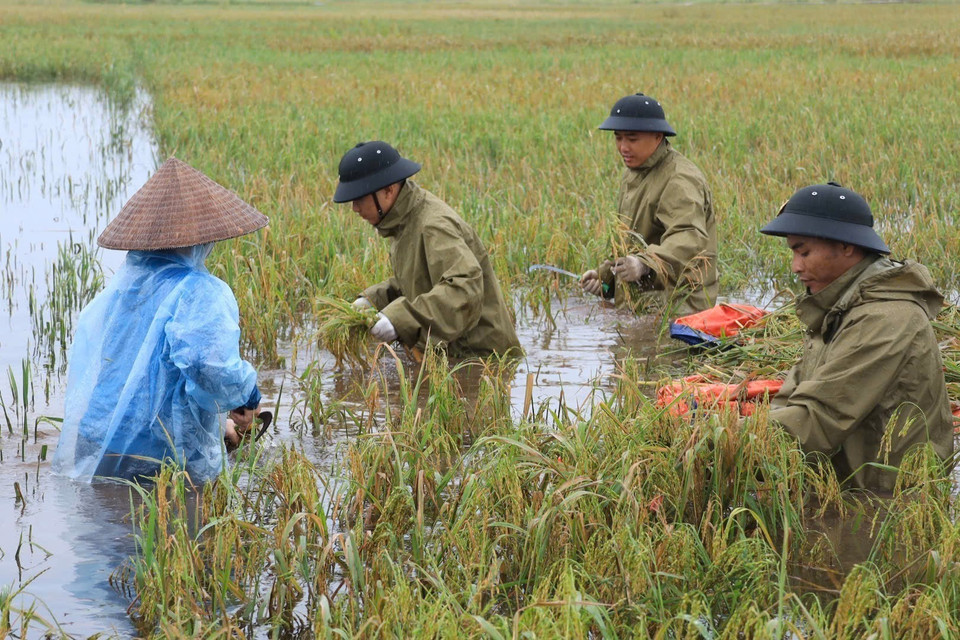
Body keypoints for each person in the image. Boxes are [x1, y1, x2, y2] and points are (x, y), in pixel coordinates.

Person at [52, 157, 268, 483]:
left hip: (95, 440)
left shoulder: (119, 291)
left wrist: (219, 421)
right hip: (154, 456)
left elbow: (140, 378)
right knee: (176, 529)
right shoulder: (201, 291)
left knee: (103, 529)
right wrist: (247, 397)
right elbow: (210, 366)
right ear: (203, 239)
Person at [759, 181, 953, 492]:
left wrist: (725, 441)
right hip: (849, 484)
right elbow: (794, 395)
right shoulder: (838, 307)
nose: (795, 266)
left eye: (804, 251)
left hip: (887, 504)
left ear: (846, 246)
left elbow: (820, 418)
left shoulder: (885, 319)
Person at [333, 140, 521, 357]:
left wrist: (400, 318)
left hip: (480, 360)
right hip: (452, 353)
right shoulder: (404, 221)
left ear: (388, 190)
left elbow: (464, 288)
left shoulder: (433, 226)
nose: (355, 209)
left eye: (359, 199)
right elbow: (421, 280)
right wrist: (372, 300)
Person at [580, 92, 717, 315]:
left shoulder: (679, 180)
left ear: (657, 136)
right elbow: (634, 241)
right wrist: (607, 279)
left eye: (632, 139)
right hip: (646, 300)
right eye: (618, 138)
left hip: (680, 307)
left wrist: (644, 264)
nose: (623, 147)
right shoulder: (634, 173)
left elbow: (690, 237)